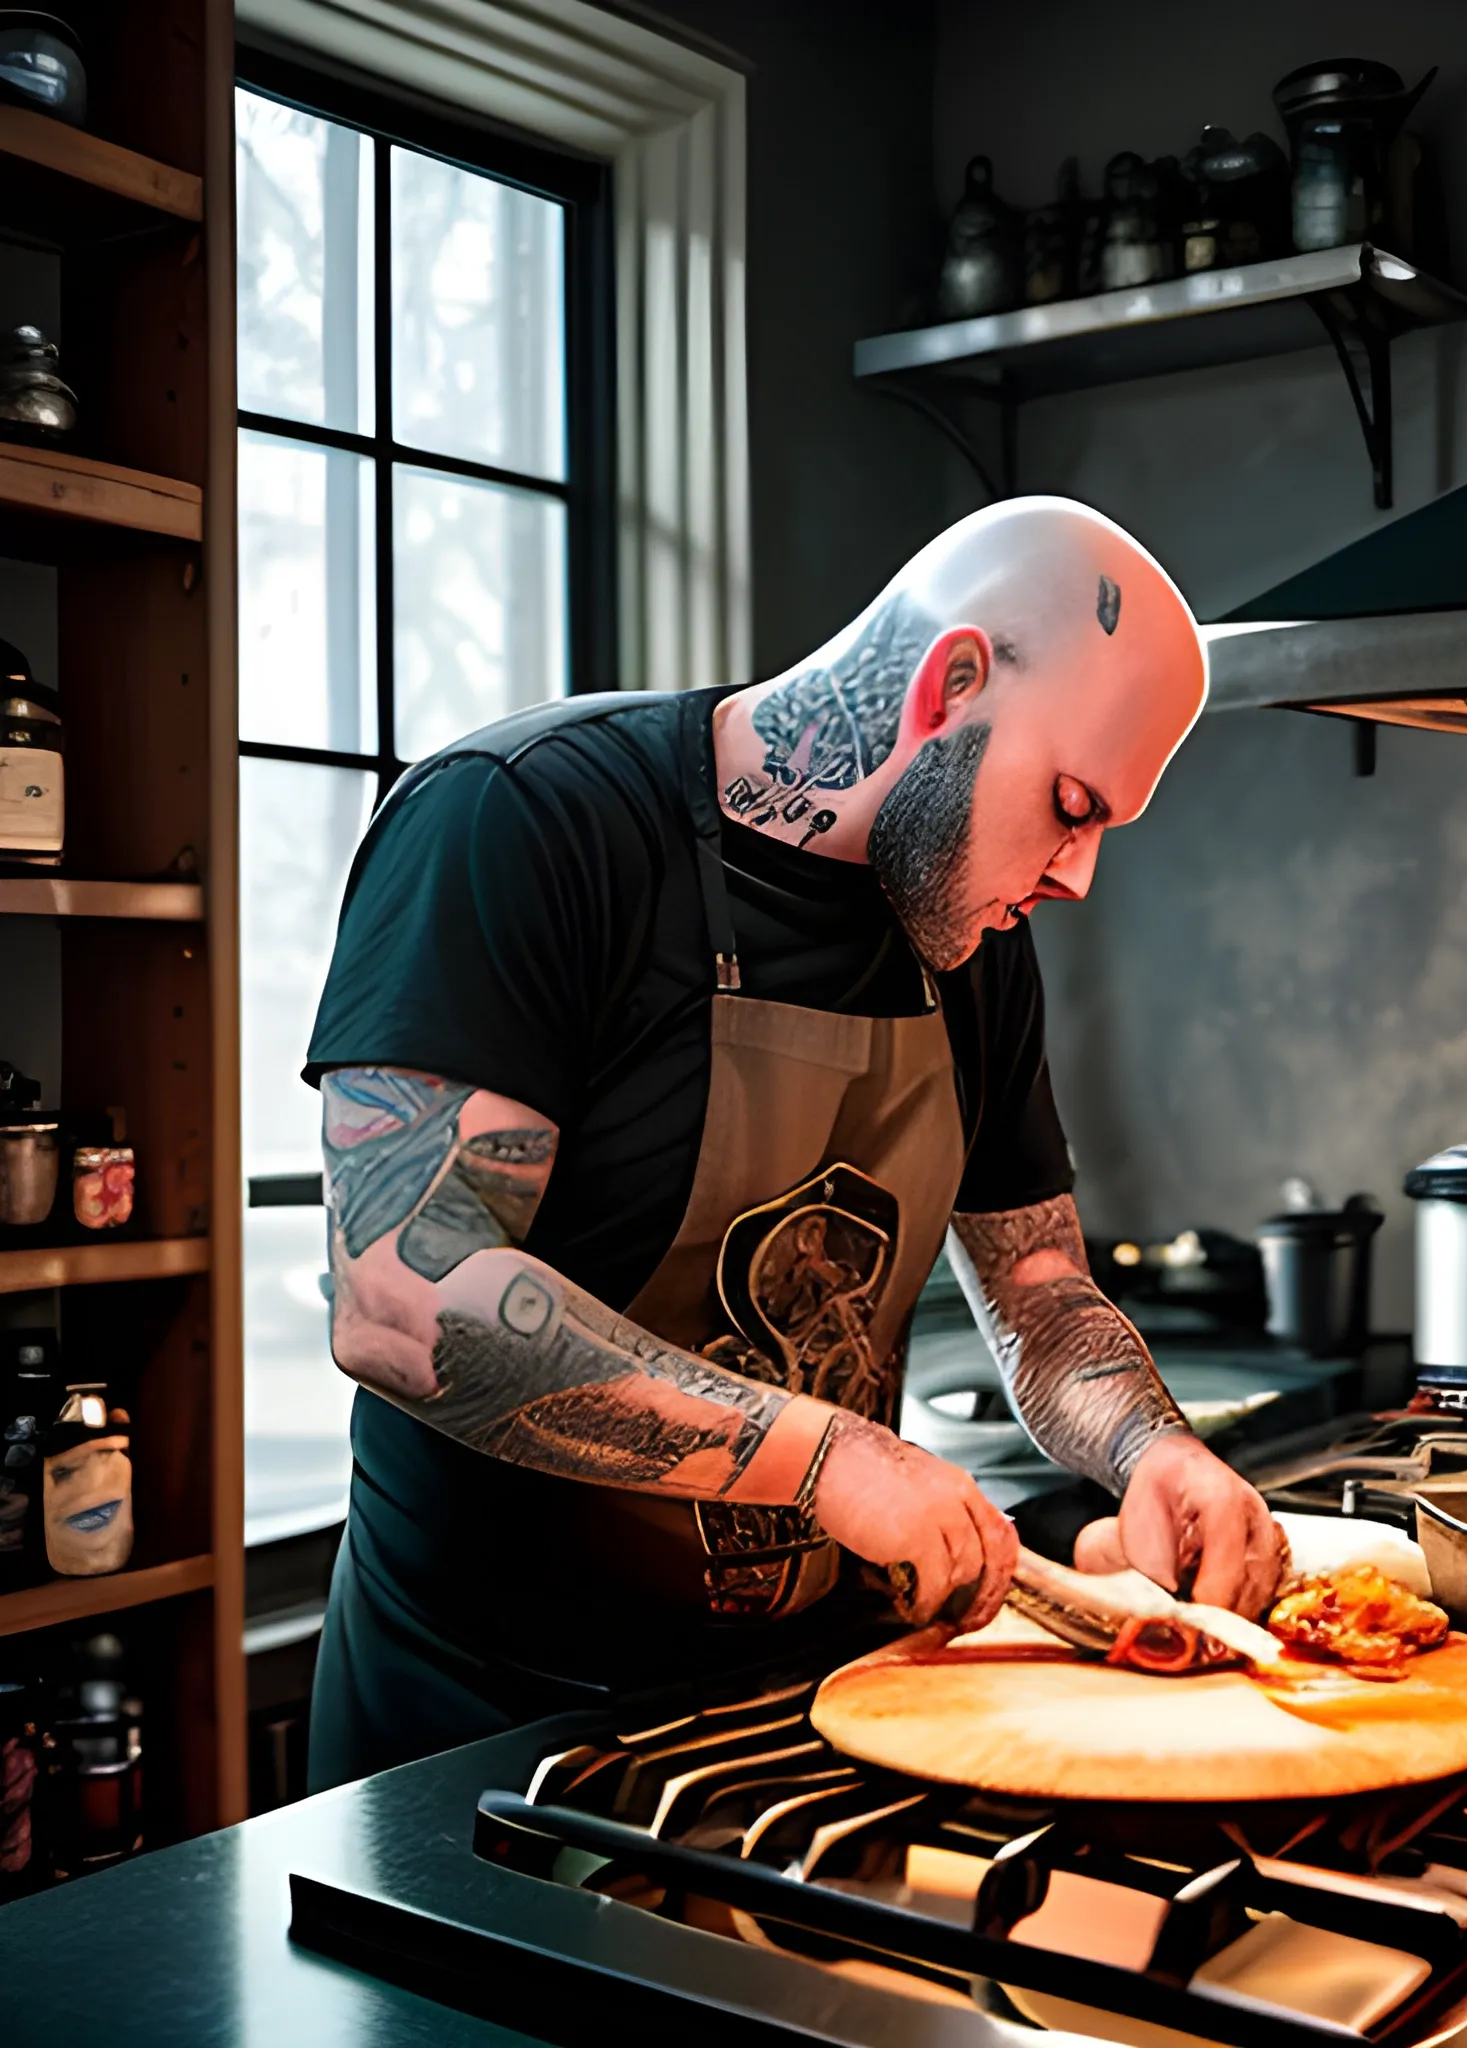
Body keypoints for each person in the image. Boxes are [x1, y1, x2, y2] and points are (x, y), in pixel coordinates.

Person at [302, 495, 1286, 1788]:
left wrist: (1152, 1448)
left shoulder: (972, 943)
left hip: (808, 1714)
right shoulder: (522, 824)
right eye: (1069, 802)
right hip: (482, 1732)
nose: (1077, 874)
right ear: (953, 681)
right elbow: (398, 1295)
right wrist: (824, 1457)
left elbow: (1042, 1293)